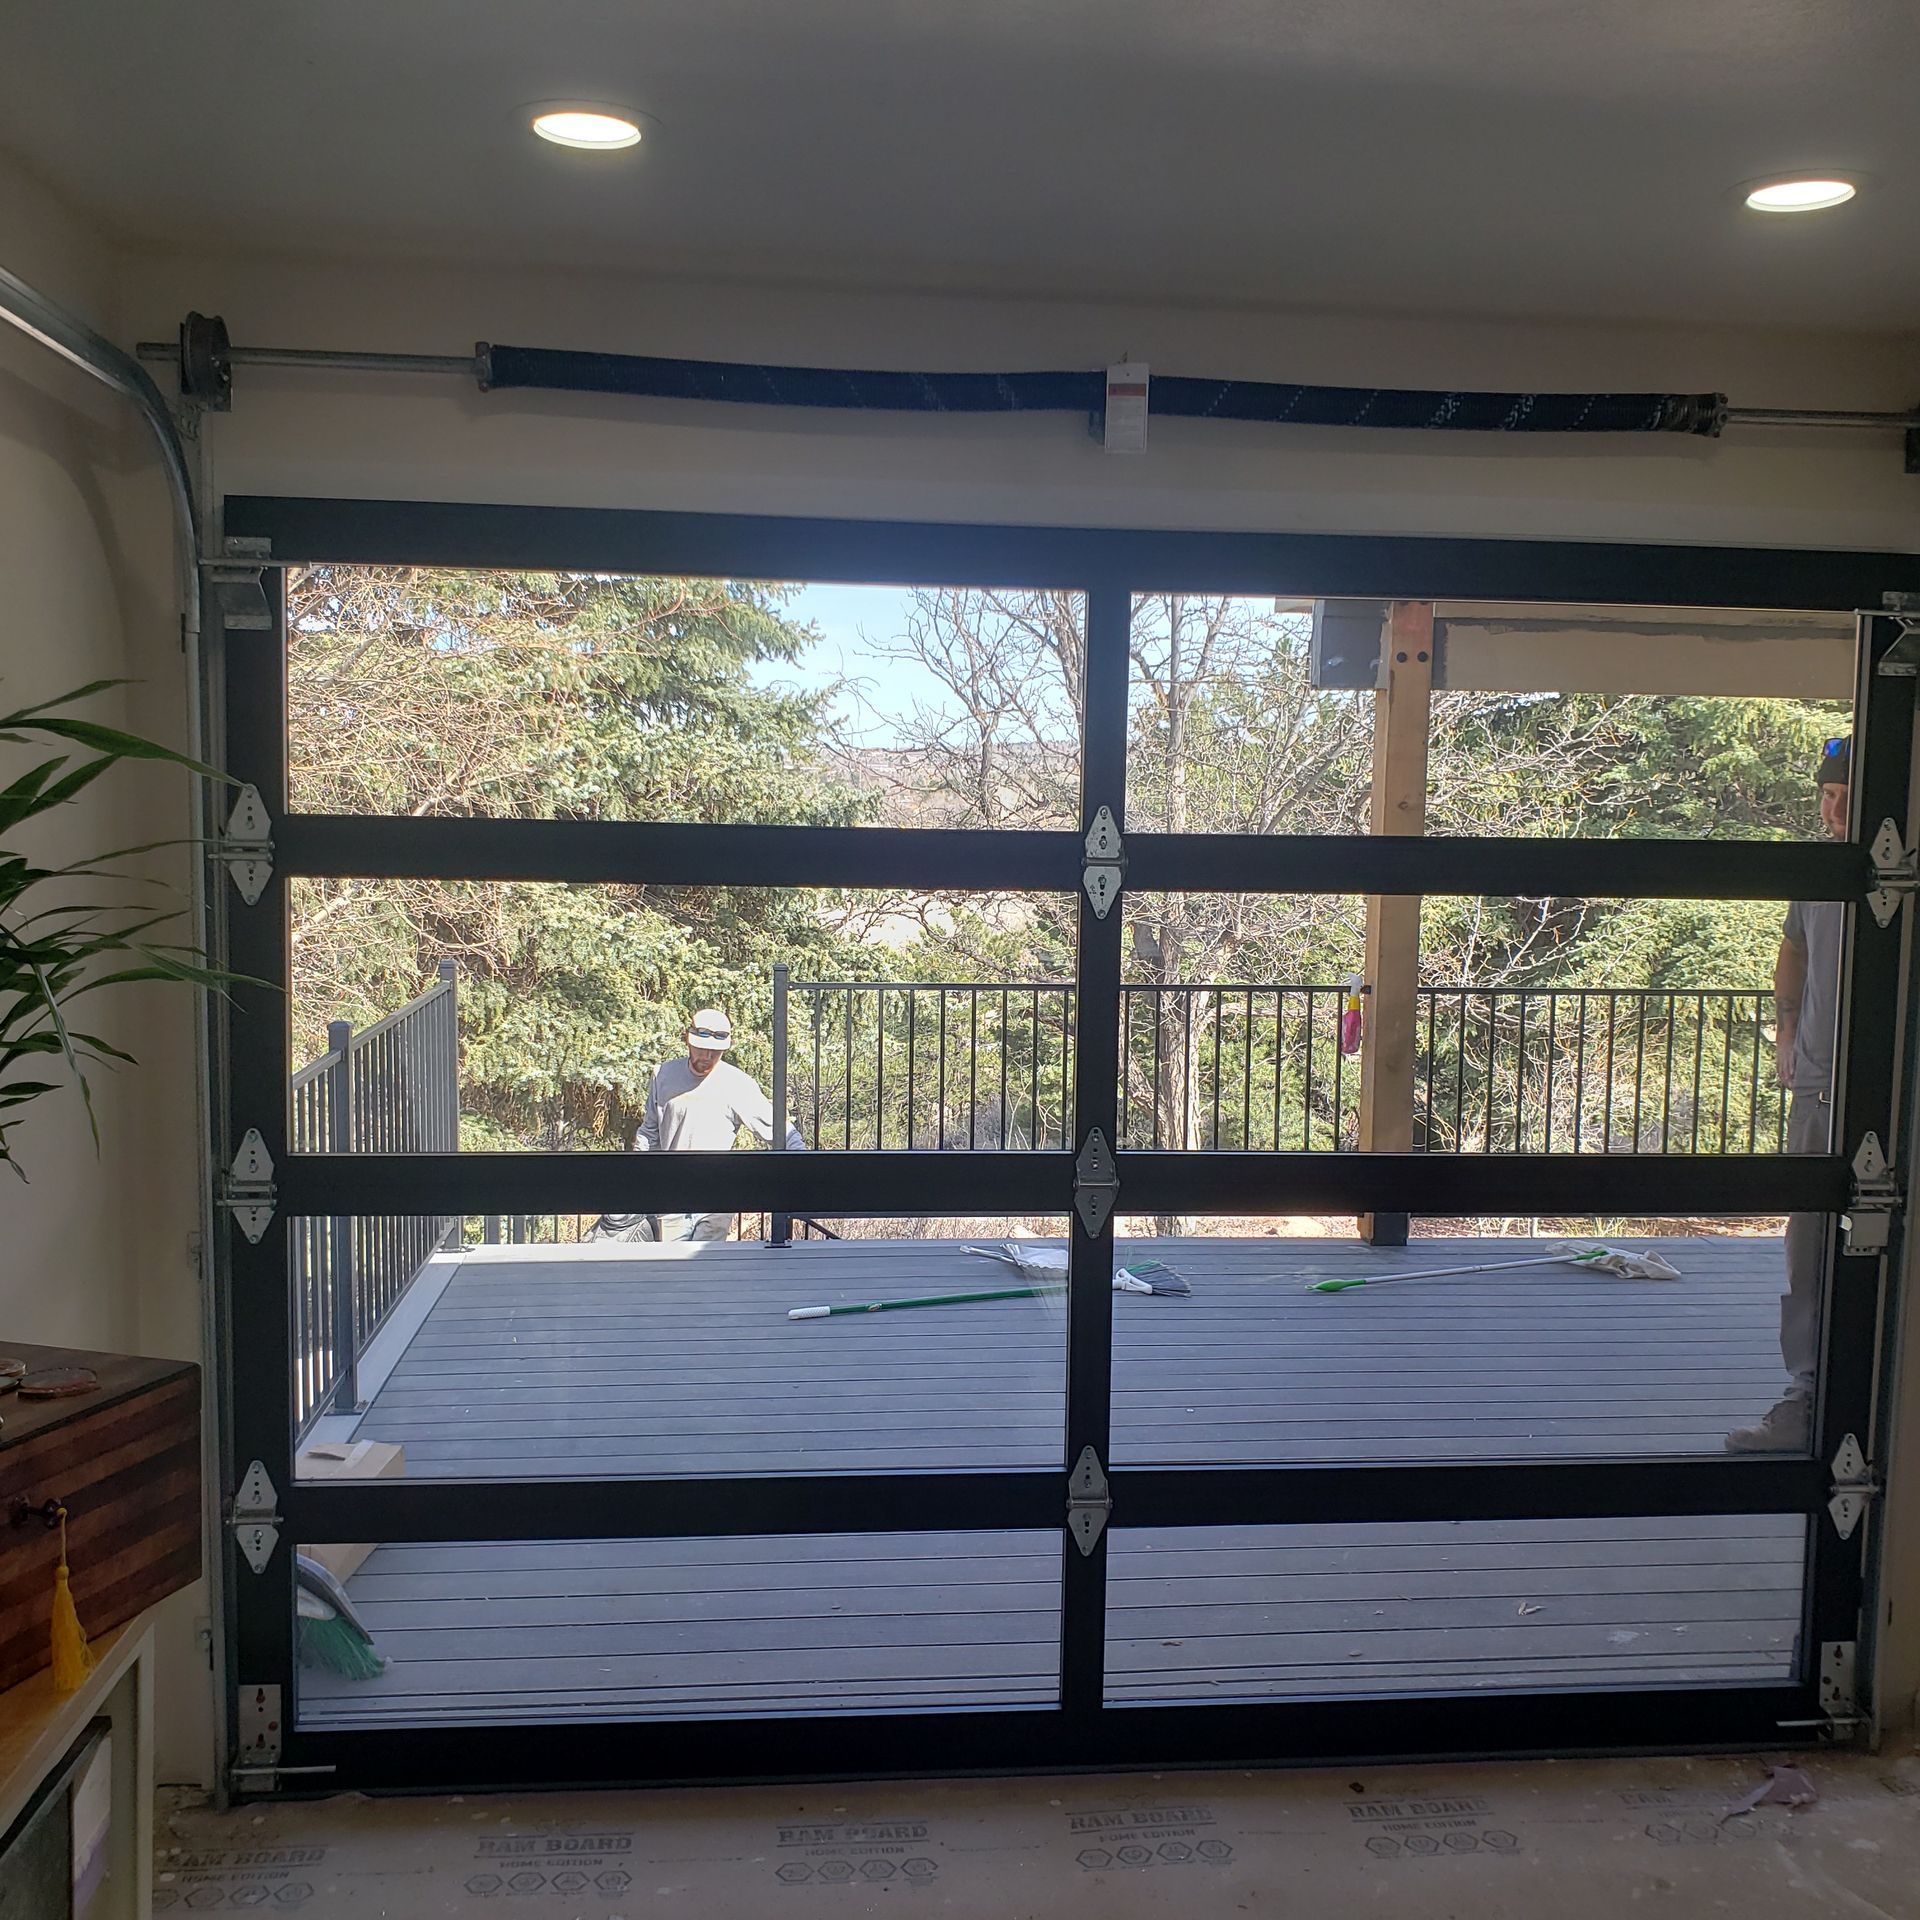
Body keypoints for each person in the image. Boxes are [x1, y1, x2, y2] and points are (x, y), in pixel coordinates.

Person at [1726, 736, 1849, 1452]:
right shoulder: (1816, 872)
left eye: (1843, 799)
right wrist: (1785, 1029)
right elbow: (1793, 947)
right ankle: (1806, 1399)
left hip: (1880, 1090)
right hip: (1817, 1087)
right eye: (1825, 799)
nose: (1831, 814)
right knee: (1808, 1242)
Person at [585, 1008, 806, 1244]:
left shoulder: (737, 1084)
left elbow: (776, 1128)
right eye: (701, 1048)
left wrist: (802, 1164)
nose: (708, 1056)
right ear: (687, 1041)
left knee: (706, 1269)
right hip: (671, 1196)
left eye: (716, 1051)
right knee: (673, 1270)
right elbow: (650, 1134)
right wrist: (639, 1176)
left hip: (716, 1198)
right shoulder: (663, 1075)